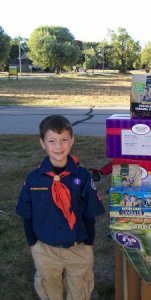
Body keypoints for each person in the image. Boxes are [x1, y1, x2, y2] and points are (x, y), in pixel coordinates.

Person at [16, 115, 105, 300]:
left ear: (72, 140)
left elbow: (90, 214)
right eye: (52, 141)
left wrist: (88, 244)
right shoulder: (34, 179)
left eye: (64, 140)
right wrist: (33, 244)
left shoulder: (82, 177)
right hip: (45, 250)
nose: (58, 146)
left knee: (80, 291)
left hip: (77, 248)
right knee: (50, 291)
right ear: (42, 143)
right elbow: (27, 214)